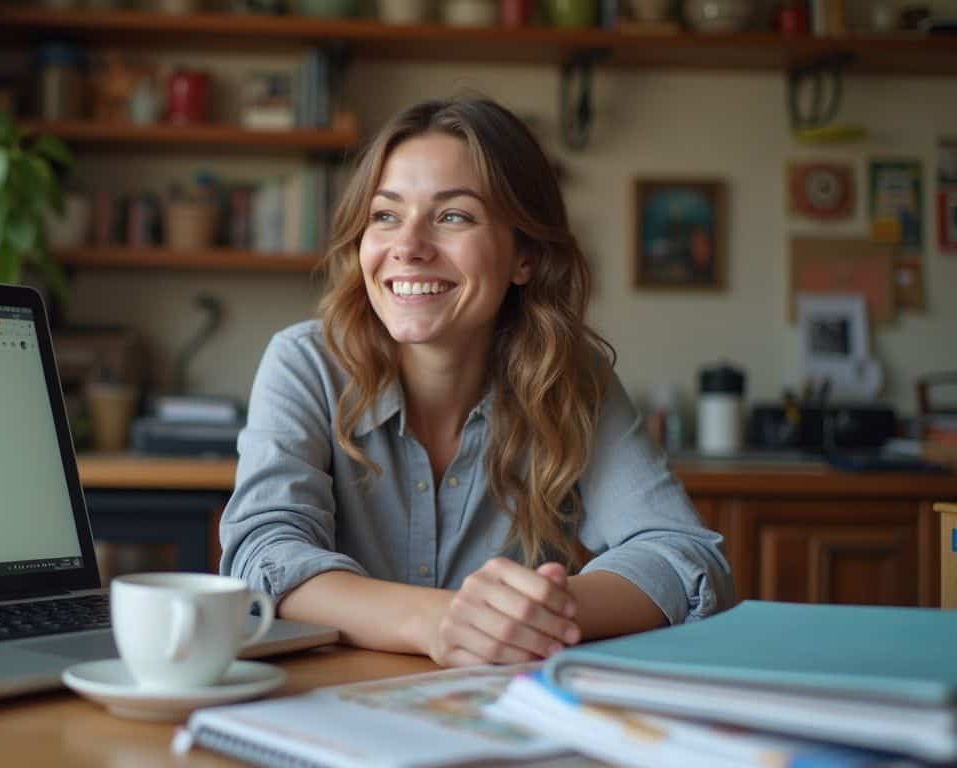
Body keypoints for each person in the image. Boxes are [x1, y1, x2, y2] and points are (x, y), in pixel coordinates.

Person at [220, 97, 734, 667]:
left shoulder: (571, 376)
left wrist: (533, 613)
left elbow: (686, 556)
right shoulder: (306, 362)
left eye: (453, 217)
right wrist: (439, 621)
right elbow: (264, 557)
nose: (408, 247)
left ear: (526, 257)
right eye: (385, 215)